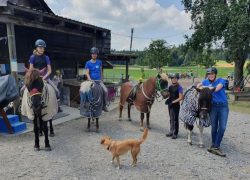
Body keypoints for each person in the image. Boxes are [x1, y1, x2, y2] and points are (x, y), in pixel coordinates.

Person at [197, 67, 229, 157]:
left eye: (212, 74)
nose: (210, 75)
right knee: (214, 127)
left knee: (222, 127)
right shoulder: (205, 81)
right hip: (213, 107)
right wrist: (203, 86)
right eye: (209, 74)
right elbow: (197, 86)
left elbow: (216, 89)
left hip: (223, 106)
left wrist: (205, 87)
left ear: (215, 74)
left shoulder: (221, 80)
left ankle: (215, 146)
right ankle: (214, 145)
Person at [85, 47, 109, 112]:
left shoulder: (99, 62)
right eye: (93, 54)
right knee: (85, 91)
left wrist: (102, 79)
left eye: (95, 54)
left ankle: (104, 105)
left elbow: (101, 72)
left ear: (97, 55)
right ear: (91, 54)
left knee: (106, 91)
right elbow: (87, 73)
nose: (94, 55)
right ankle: (85, 104)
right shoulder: (88, 63)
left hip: (99, 81)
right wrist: (90, 79)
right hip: (91, 81)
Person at [165, 73, 184, 139]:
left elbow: (181, 97)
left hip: (176, 105)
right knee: (171, 118)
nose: (173, 79)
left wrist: (173, 102)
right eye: (172, 78)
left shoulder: (180, 87)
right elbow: (169, 95)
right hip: (170, 104)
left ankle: (175, 133)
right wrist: (167, 97)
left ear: (177, 79)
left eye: (175, 78)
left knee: (175, 119)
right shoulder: (170, 87)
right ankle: (171, 131)